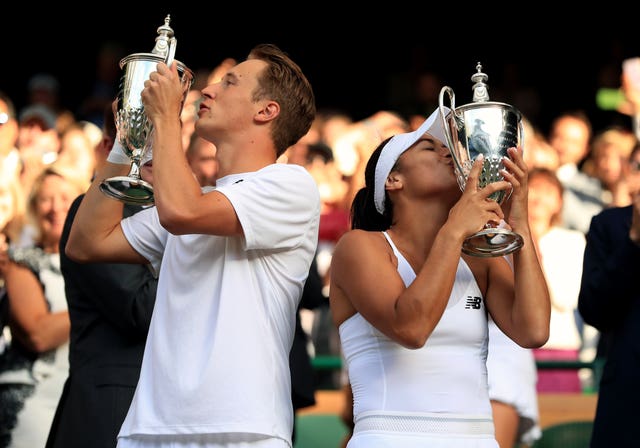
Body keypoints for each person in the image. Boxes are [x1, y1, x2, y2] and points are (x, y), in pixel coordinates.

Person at [65, 43, 320, 448]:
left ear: (266, 111)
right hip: (148, 429)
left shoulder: (291, 185)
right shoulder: (194, 196)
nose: (208, 90)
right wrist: (127, 141)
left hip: (244, 429)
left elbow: (183, 212)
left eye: (230, 82)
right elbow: (87, 243)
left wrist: (167, 118)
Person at [329, 109, 550, 447]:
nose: (451, 152)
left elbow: (533, 331)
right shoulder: (359, 246)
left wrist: (519, 224)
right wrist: (453, 231)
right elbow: (411, 328)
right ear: (393, 180)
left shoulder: (479, 257)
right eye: (430, 149)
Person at [45, 104, 159, 448]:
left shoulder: (174, 215)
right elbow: (139, 309)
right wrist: (193, 251)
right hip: (109, 412)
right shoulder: (92, 214)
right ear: (108, 147)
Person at [0, 163, 88, 448]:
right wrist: (98, 303)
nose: (56, 207)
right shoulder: (23, 261)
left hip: (81, 398)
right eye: (46, 199)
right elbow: (38, 333)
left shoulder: (102, 265)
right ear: (34, 208)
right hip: (33, 402)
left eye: (65, 198)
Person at [577, 145, 640, 448]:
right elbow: (594, 310)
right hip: (628, 393)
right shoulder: (609, 225)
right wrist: (633, 243)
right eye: (639, 166)